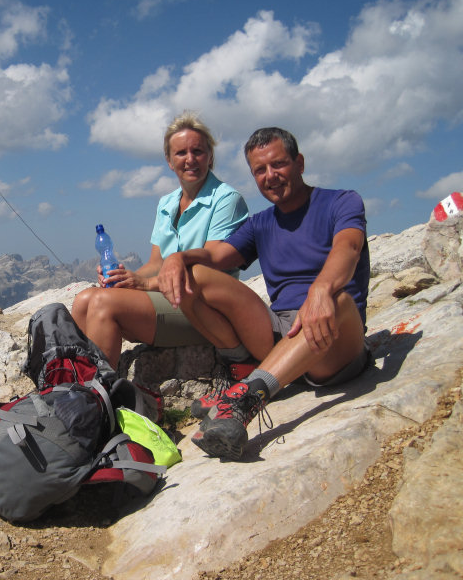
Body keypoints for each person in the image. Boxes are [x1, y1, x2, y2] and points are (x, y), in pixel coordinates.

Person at [155, 126, 370, 461]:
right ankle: (245, 373)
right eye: (260, 170)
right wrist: (177, 258)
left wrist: (321, 289)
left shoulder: (340, 202)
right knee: (196, 277)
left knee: (339, 299)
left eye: (279, 164)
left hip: (335, 338)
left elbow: (349, 247)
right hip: (279, 334)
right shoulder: (261, 224)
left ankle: (246, 399)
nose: (270, 176)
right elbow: (215, 257)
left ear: (299, 163)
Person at [71, 112, 249, 369]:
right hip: (168, 300)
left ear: (210, 156)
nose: (190, 160)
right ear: (169, 160)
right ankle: (77, 387)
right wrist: (124, 279)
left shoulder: (226, 200)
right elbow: (157, 262)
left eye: (197, 151)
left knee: (102, 303)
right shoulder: (166, 203)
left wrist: (143, 284)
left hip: (204, 308)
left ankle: (98, 396)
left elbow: (211, 267)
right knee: (84, 299)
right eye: (181, 153)